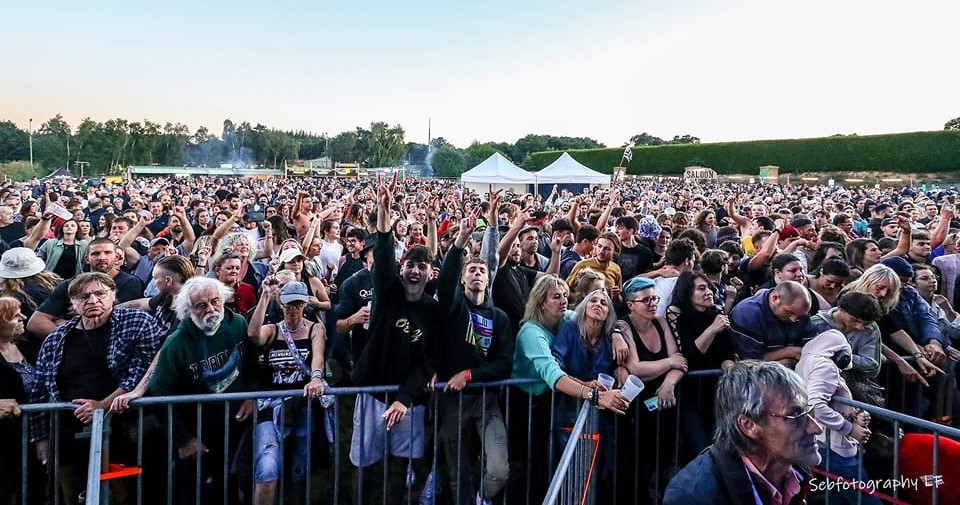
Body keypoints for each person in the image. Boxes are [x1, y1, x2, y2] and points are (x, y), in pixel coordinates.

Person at [29, 272, 162, 505]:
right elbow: (39, 390)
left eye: (100, 293)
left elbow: (141, 372)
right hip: (67, 433)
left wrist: (101, 406)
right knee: (70, 496)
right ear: (72, 304)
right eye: (83, 296)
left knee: (122, 495)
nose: (92, 300)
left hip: (122, 429)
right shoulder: (56, 338)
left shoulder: (138, 322)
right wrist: (41, 439)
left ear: (114, 296)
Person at [348, 173, 440, 504]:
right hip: (373, 393)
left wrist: (404, 397)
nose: (415, 271)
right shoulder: (388, 293)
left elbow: (431, 359)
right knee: (363, 461)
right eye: (410, 265)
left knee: (401, 464)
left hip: (409, 401)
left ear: (430, 274)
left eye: (422, 267)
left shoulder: (433, 310)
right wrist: (384, 213)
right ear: (403, 269)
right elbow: (384, 256)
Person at [510, 274, 627, 503]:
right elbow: (554, 375)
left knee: (552, 464)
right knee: (532, 466)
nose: (563, 300)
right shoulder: (531, 332)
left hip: (553, 399)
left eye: (565, 295)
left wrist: (617, 334)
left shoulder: (566, 319)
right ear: (542, 302)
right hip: (527, 402)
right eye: (556, 297)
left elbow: (597, 315)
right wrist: (595, 395)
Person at [147, 276, 257, 504]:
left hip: (235, 424)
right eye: (201, 305)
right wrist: (184, 439)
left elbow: (251, 364)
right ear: (188, 310)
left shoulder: (237, 323)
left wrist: (251, 396)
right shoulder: (177, 343)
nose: (211, 309)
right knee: (192, 490)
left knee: (232, 485)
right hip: (196, 432)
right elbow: (158, 393)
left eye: (215, 301)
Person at [434, 206, 513, 505]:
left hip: (485, 398)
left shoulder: (500, 318)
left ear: (489, 278)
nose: (477, 273)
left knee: (498, 469)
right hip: (453, 401)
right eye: (472, 270)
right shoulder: (454, 308)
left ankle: (483, 496)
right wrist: (459, 243)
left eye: (482, 270)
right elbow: (444, 282)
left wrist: (469, 375)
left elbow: (505, 363)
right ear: (463, 279)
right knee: (457, 469)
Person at [663, 360, 823, 505]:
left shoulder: (803, 469)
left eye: (808, 411)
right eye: (794, 415)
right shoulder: (693, 495)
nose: (816, 428)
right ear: (749, 425)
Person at [247, 280, 328, 505]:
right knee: (267, 466)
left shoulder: (315, 328)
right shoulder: (273, 330)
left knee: (299, 462)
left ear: (305, 305)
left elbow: (318, 356)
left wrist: (315, 377)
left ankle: (295, 497)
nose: (293, 310)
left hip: (302, 404)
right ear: (281, 306)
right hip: (271, 405)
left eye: (298, 305)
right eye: (288, 305)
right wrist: (264, 296)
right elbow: (253, 335)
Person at [614, 276, 686, 503]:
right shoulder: (624, 325)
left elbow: (680, 361)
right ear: (631, 305)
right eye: (646, 300)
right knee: (637, 464)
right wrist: (668, 364)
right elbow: (635, 368)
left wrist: (668, 383)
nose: (653, 303)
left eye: (654, 298)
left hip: (665, 401)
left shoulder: (661, 321)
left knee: (665, 458)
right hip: (636, 410)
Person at [795, 330, 879, 505]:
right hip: (833, 445)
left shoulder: (806, 362)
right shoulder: (825, 366)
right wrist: (849, 428)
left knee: (837, 495)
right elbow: (816, 405)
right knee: (864, 497)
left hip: (821, 440)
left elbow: (828, 401)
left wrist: (853, 415)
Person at [665, 271, 735, 458]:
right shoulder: (679, 316)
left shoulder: (716, 313)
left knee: (720, 442)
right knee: (700, 446)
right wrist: (712, 330)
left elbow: (727, 350)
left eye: (709, 288)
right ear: (688, 293)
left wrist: (729, 366)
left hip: (715, 392)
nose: (708, 292)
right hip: (689, 391)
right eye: (701, 288)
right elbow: (690, 354)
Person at [27, 238, 144, 336]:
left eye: (107, 253)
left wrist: (67, 324)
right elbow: (36, 322)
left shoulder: (130, 283)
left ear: (116, 257)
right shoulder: (69, 284)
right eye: (95, 253)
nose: (102, 257)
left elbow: (104, 322)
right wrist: (67, 338)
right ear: (87, 258)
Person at [0, 297, 44, 505]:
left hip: (33, 436)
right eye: (15, 316)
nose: (23, 318)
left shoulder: (28, 346)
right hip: (5, 441)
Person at [729, 281, 817, 367]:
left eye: (799, 316)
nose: (794, 319)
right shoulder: (747, 315)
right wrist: (789, 352)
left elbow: (812, 349)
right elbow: (751, 362)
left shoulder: (798, 311)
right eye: (790, 312)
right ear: (775, 298)